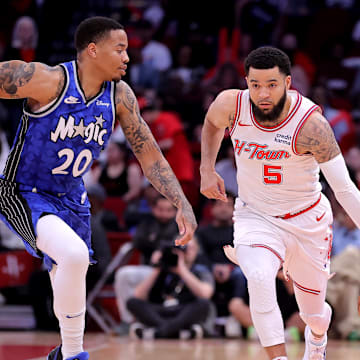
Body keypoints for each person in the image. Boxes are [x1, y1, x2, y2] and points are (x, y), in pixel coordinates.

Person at [0, 16, 197, 360]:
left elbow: (150, 154)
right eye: (119, 49)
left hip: (73, 200)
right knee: (73, 256)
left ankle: (64, 352)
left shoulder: (120, 96)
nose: (127, 57)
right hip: (25, 192)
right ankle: (74, 355)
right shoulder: (47, 80)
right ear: (93, 50)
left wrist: (181, 202)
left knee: (69, 268)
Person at [200, 46, 360, 360]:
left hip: (306, 221)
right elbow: (211, 124)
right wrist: (207, 167)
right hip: (255, 215)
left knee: (313, 313)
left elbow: (345, 190)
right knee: (258, 278)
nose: (262, 93)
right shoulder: (230, 104)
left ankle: (317, 339)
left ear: (288, 83)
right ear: (246, 82)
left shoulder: (311, 126)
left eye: (271, 85)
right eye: (255, 84)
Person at [127, 236, 214, 339]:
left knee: (204, 304)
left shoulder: (200, 270)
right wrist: (156, 268)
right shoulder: (163, 267)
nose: (186, 251)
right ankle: (176, 332)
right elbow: (138, 295)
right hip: (161, 310)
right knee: (132, 302)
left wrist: (182, 270)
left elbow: (205, 294)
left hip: (183, 311)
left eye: (190, 247)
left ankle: (157, 332)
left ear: (197, 250)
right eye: (182, 247)